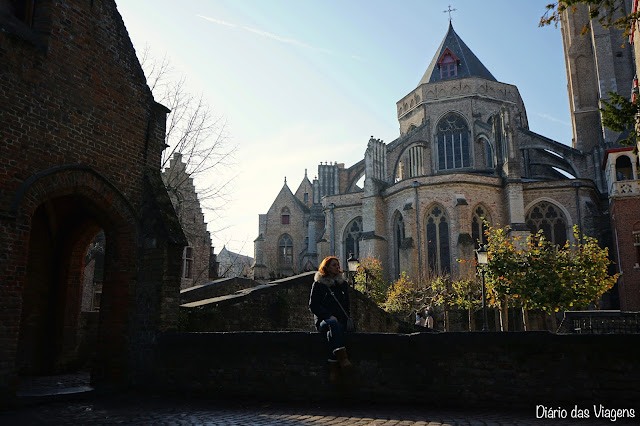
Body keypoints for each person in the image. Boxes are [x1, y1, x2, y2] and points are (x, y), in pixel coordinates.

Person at [308, 256, 352, 383]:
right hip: (323, 321)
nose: (337, 267)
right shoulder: (318, 284)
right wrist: (327, 316)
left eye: (338, 265)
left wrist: (345, 319)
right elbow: (313, 305)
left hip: (340, 322)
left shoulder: (342, 284)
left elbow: (346, 305)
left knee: (331, 333)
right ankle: (343, 359)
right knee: (332, 324)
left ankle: (333, 367)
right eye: (334, 265)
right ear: (326, 267)